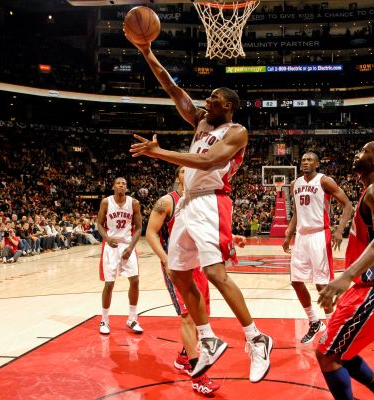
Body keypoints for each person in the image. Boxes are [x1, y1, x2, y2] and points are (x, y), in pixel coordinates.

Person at [128, 37, 272, 383]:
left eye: (213, 99)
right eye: (206, 100)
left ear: (228, 105)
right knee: (178, 273)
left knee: (215, 273)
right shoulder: (202, 123)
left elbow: (209, 162)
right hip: (189, 204)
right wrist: (147, 52)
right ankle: (208, 338)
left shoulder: (237, 132)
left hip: (212, 201)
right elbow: (171, 86)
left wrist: (158, 153)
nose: (206, 102)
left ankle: (256, 338)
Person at [316, 141, 374, 400]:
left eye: (363, 151)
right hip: (372, 288)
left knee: (327, 355)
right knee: (341, 350)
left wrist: (344, 277)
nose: (356, 154)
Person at [146, 167, 229, 396]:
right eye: (183, 170)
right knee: (188, 318)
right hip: (177, 267)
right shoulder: (167, 201)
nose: (187, 173)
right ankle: (198, 375)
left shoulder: (199, 201)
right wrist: (166, 261)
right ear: (177, 176)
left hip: (199, 265)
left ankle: (184, 356)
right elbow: (151, 233)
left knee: (201, 314)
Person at [282, 152, 353, 344]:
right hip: (302, 237)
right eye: (303, 159)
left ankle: (332, 327)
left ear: (317, 163)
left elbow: (348, 205)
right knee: (296, 281)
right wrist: (289, 235)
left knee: (322, 284)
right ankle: (314, 322)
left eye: (309, 160)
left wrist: (339, 230)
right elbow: (297, 212)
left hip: (320, 234)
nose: (305, 162)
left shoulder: (325, 181)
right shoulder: (294, 184)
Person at [96, 177, 143, 335]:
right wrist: (106, 238)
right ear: (113, 186)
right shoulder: (106, 202)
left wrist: (131, 247)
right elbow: (99, 224)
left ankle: (132, 318)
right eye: (118, 183)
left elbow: (138, 228)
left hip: (127, 245)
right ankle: (104, 320)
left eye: (124, 183)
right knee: (109, 284)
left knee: (135, 280)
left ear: (126, 187)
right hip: (111, 246)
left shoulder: (134, 203)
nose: (121, 185)